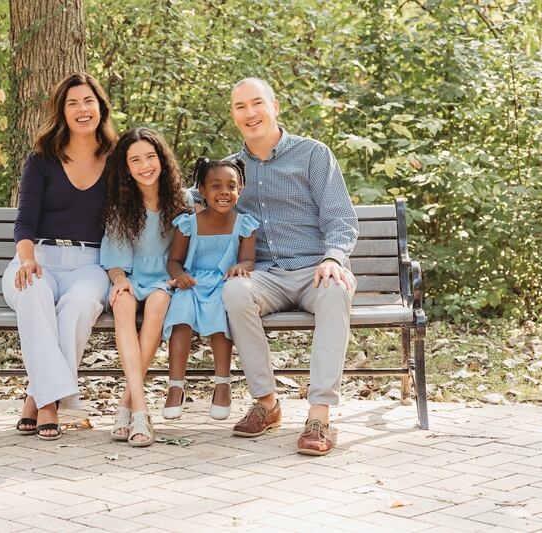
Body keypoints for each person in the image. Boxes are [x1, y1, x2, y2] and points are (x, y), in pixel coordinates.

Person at [222, 77, 359, 456]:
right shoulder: (231, 169)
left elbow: (340, 219)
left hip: (316, 269)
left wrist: (333, 258)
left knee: (337, 288)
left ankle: (319, 415)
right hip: (265, 274)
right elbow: (191, 199)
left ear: (275, 106)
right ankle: (267, 404)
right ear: (233, 116)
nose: (250, 114)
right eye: (240, 107)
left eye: (257, 103)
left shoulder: (313, 155)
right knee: (234, 291)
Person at [1, 72, 117, 441]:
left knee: (81, 303)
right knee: (32, 291)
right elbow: (25, 223)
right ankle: (50, 404)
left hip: (91, 264)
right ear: (62, 112)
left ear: (100, 106)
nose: (82, 109)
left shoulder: (116, 159)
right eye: (73, 103)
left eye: (88, 101)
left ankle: (36, 395)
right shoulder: (42, 160)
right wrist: (26, 259)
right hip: (39, 258)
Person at [100, 127, 193, 447]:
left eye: (150, 157)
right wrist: (119, 280)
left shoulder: (181, 201)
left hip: (163, 282)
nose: (145, 166)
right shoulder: (120, 205)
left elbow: (190, 250)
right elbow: (114, 260)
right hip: (130, 277)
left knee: (157, 303)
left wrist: (179, 274)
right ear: (126, 167)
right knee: (122, 304)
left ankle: (129, 407)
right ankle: (140, 408)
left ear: (162, 160)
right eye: (135, 160)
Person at [163, 157, 258, 421]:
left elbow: (249, 260)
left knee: (220, 313)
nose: (224, 192)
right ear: (202, 190)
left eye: (231, 186)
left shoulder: (245, 225)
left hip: (223, 283)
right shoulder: (188, 223)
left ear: (240, 190)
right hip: (191, 283)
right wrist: (179, 275)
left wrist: (240, 266)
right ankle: (175, 386)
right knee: (181, 314)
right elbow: (174, 261)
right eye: (216, 186)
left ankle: (222, 383)